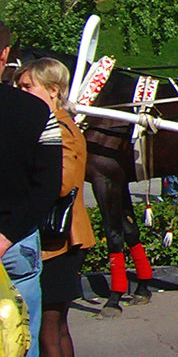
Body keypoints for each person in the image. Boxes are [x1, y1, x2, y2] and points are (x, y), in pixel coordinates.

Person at [14, 59, 95, 357]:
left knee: (48, 324)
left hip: (59, 240)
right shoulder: (58, 122)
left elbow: (60, 183)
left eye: (27, 87)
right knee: (57, 324)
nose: (20, 92)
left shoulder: (58, 126)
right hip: (60, 237)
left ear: (52, 90)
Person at [0, 22, 62, 357]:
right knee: (20, 338)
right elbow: (47, 185)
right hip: (16, 240)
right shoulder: (38, 111)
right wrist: (6, 235)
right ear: (5, 54)